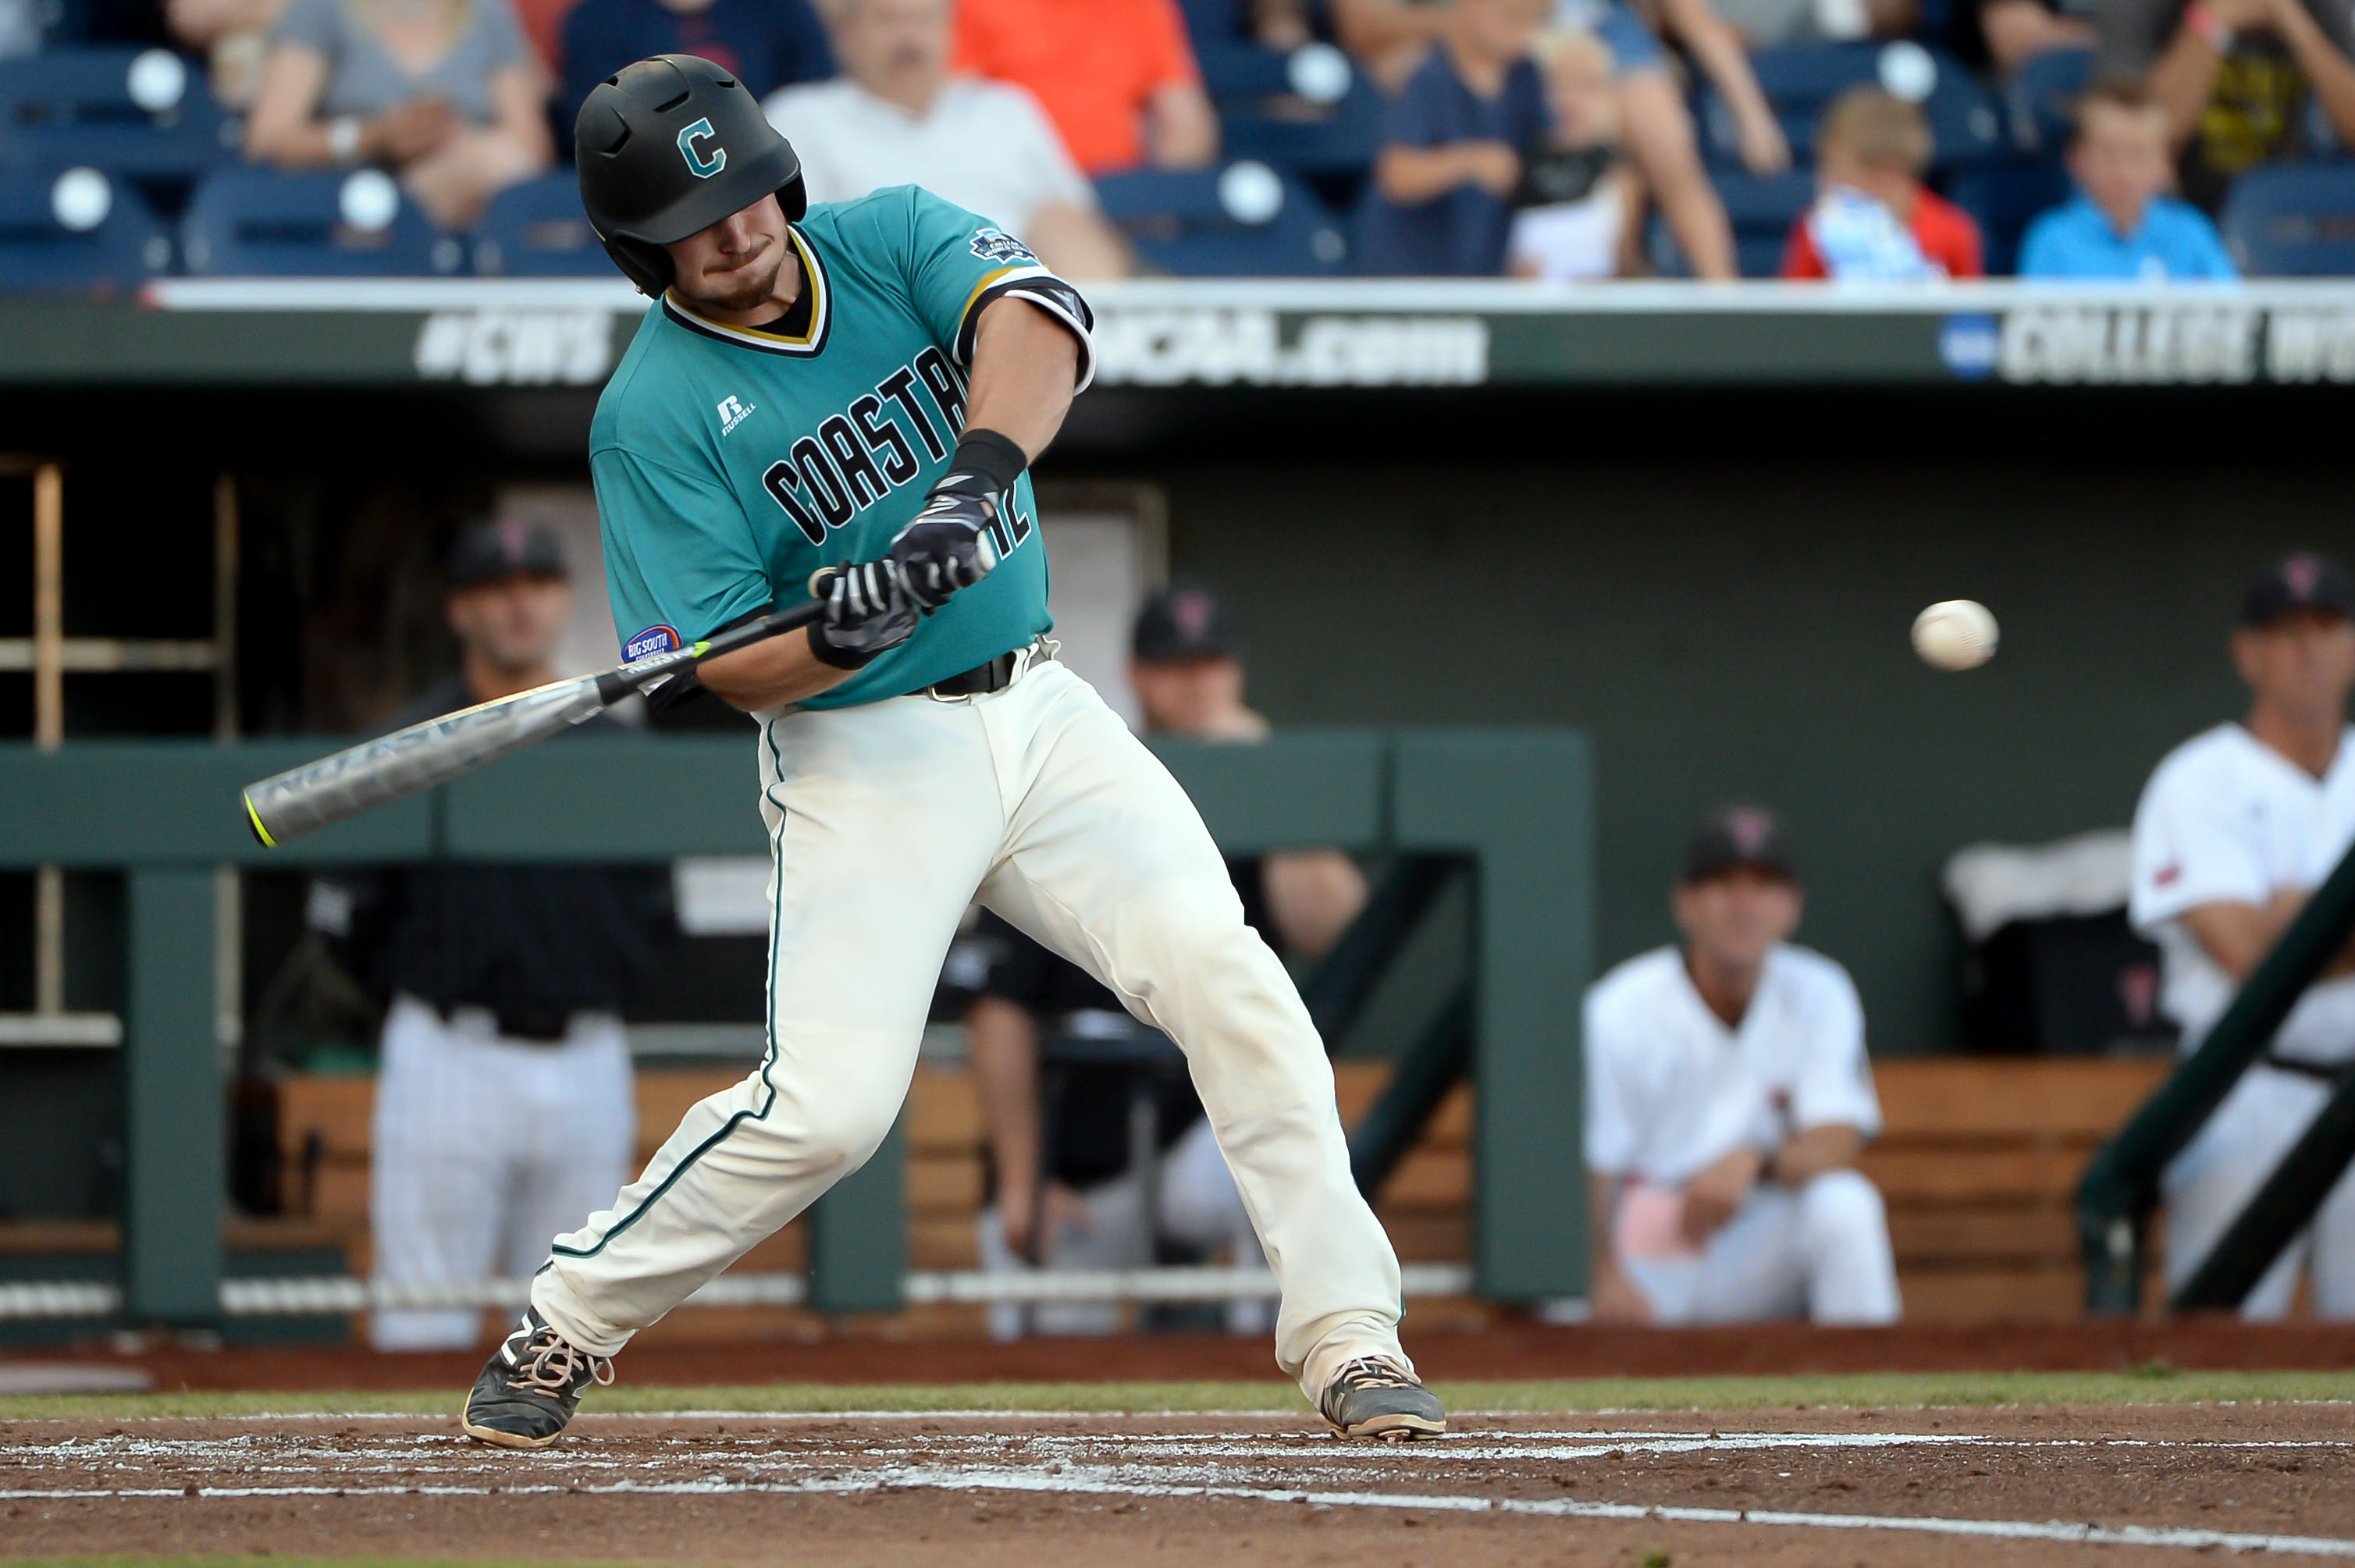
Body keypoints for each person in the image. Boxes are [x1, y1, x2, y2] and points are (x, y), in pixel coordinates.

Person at [460, 55, 1443, 1449]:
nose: (735, 229)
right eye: (695, 218)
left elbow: (1041, 319)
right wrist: (842, 632)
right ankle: (568, 1316)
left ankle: (1350, 1335)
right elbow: (725, 664)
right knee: (831, 1110)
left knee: (1226, 973)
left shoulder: (890, 232)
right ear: (638, 248)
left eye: (744, 191)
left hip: (1041, 708)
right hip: (862, 755)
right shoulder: (652, 414)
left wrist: (976, 475)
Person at [964, 585, 1368, 1339]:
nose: (1199, 683)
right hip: (1078, 1169)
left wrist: (1266, 776)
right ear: (1138, 676)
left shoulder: (1255, 795)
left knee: (1267, 1152)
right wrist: (1024, 1180)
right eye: (1176, 665)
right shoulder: (1082, 784)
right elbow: (999, 1007)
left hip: (1197, 1140)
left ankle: (1291, 1358)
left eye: (1214, 662)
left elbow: (1336, 925)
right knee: (1046, 1374)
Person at [306, 521, 669, 1353]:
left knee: (572, 1324)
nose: (519, 603)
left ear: (563, 597)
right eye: (496, 587)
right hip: (450, 1049)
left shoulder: (614, 743)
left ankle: (553, 1489)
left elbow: (657, 915)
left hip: (585, 1053)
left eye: (537, 582)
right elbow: (346, 920)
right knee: (423, 1310)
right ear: (459, 609)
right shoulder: (412, 737)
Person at [2131, 553, 2355, 1319]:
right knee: (2219, 1346)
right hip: (2243, 1086)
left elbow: (2276, 933)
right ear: (2246, 652)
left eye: (2324, 627)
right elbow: (2246, 954)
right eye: (2282, 630)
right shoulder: (2195, 778)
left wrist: (2289, 907)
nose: (2305, 648)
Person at [1581, 808, 1901, 1327]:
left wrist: (1754, 1159)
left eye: (1764, 884)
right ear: (1684, 903)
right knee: (1562, 1301)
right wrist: (1602, 1276)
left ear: (1792, 906)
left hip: (1747, 1241)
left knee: (1845, 1203)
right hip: (1643, 1249)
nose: (1743, 903)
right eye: (1722, 883)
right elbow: (1591, 1167)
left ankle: (1872, 1394)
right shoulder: (1619, 1006)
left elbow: (1838, 1136)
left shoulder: (1819, 990)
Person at [763, 0, 1130, 281]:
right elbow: (794, 242)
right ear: (845, 34)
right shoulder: (801, 116)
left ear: (951, 31)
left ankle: (1095, 365)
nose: (909, 39)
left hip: (1018, 289)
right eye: (887, 21)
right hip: (885, 297)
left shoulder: (1005, 108)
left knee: (1066, 225)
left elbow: (1076, 218)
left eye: (924, 21)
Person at [243, 0, 553, 229]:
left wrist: (450, 138)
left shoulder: (488, 13)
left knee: (506, 165)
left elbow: (530, 148)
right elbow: (268, 138)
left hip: (475, 202)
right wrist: (373, 137)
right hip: (351, 202)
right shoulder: (322, 8)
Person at [2094, 0, 2355, 212]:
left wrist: (2295, 23)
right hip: (2172, 206)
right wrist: (2211, 20)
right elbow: (2141, 140)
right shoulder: (2140, 7)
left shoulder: (2323, 6)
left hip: (2285, 210)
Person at [1359, 0, 1553, 276]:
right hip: (1413, 273)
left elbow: (1543, 158)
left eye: (1537, 19)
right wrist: (1468, 162)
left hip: (1483, 270)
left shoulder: (1526, 77)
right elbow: (1395, 174)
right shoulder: (1431, 77)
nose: (1524, 32)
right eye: (1512, 16)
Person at [952, 0, 1219, 174]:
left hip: (1122, 192)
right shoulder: (975, 6)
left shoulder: (1141, 5)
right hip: (1022, 195)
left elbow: (1186, 124)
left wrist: (1160, 198)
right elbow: (956, 113)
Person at [2019, 82, 2239, 278]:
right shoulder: (2051, 239)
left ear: (2167, 165)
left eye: (2139, 154)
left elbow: (2233, 311)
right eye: (2108, 153)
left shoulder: (2191, 231)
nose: (2124, 171)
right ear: (2076, 158)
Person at [1780, 86, 1984, 279]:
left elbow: (1969, 313)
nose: (1823, 180)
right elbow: (1791, 310)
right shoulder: (1817, 230)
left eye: (1835, 170)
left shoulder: (1953, 233)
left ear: (1887, 175)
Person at [560, 0, 830, 139]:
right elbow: (597, 128)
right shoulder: (596, 20)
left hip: (776, 169)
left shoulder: (781, 9)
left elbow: (824, 106)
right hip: (656, 185)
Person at [1506, 29, 1644, 279]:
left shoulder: (1621, 177)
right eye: (1560, 84)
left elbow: (1625, 264)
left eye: (1588, 86)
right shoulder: (1512, 164)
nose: (1571, 100)